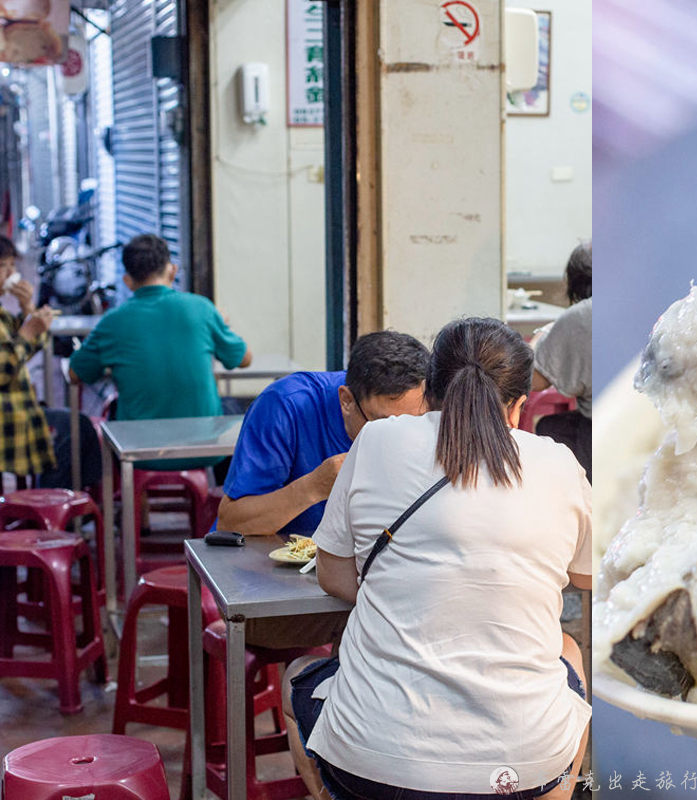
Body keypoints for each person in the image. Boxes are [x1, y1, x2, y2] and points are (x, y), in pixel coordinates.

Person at [284, 317, 592, 800]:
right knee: (568, 651)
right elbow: (587, 575)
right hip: (521, 770)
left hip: (372, 765)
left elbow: (333, 575)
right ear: (518, 407)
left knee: (297, 676)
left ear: (428, 388)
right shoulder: (558, 462)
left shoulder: (377, 442)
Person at [216, 330, 430, 537]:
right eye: (383, 424)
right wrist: (314, 487)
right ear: (346, 401)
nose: (398, 440)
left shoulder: (431, 415)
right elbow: (232, 521)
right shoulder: (286, 405)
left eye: (413, 423)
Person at [68, 233, 252, 470]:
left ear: (128, 281)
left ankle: (127, 503)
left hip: (137, 451)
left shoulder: (113, 322)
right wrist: (221, 324)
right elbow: (244, 359)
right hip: (207, 447)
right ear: (172, 271)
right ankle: (219, 500)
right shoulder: (202, 308)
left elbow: (75, 374)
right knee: (230, 409)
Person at [0, 232, 57, 480]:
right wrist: (29, 330)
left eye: (12, 265)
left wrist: (29, 310)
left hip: (13, 420)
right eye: (1, 266)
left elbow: (27, 346)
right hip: (1, 427)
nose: (10, 274)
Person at [532, 241, 592, 480]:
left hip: (599, 429)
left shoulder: (578, 317)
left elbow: (534, 381)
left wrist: (539, 338)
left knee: (548, 429)